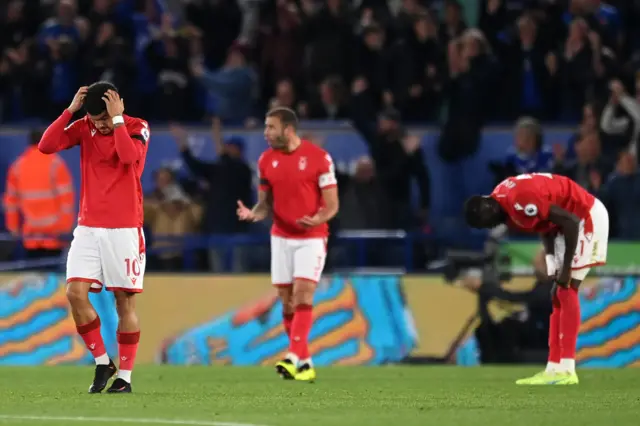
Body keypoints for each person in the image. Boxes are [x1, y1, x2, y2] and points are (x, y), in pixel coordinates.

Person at [38, 81, 150, 394]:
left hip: (124, 228)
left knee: (123, 304)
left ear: (117, 106)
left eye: (103, 118)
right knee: (75, 293)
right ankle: (103, 361)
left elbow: (129, 158)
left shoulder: (137, 126)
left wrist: (116, 121)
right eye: (96, 120)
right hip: (88, 227)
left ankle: (125, 377)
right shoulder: (84, 126)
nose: (99, 125)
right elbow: (46, 146)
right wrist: (70, 111)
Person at [464, 172, 609, 385]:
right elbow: (545, 226)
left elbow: (570, 221)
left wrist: (566, 268)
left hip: (585, 217)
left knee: (566, 289)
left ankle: (567, 369)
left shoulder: (518, 202)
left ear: (489, 208)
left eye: (487, 223)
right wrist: (551, 262)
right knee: (557, 294)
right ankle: (554, 368)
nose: (490, 227)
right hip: (566, 225)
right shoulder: (503, 200)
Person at [236, 107, 339, 382]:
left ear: (288, 129)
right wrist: (253, 213)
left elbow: (332, 205)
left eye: (271, 127)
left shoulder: (319, 159)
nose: (266, 132)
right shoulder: (266, 160)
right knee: (287, 302)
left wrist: (316, 218)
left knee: (304, 295)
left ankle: (293, 356)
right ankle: (305, 364)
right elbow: (264, 203)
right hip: (281, 237)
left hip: (312, 238)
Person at [4, 129, 75, 261]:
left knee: (34, 277)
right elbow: (67, 200)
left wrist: (13, 229)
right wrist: (65, 228)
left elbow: (11, 203)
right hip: (54, 237)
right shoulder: (55, 164)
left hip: (30, 237)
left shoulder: (17, 166)